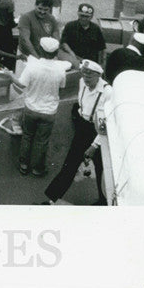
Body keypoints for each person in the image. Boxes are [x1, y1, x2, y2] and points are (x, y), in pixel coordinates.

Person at [39, 59, 112, 205]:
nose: (86, 80)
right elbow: (81, 104)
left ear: (99, 75)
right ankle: (51, 199)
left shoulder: (108, 92)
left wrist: (94, 146)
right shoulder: (82, 83)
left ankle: (105, 201)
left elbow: (107, 124)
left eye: (89, 77)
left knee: (101, 168)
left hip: (99, 132)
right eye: (84, 76)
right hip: (83, 127)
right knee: (70, 164)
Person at [12, 37, 70, 177]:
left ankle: (24, 165)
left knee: (27, 136)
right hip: (49, 111)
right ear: (56, 52)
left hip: (31, 109)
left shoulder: (32, 67)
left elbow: (21, 84)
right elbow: (62, 88)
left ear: (40, 50)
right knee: (42, 141)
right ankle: (38, 168)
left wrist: (9, 75)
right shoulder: (60, 69)